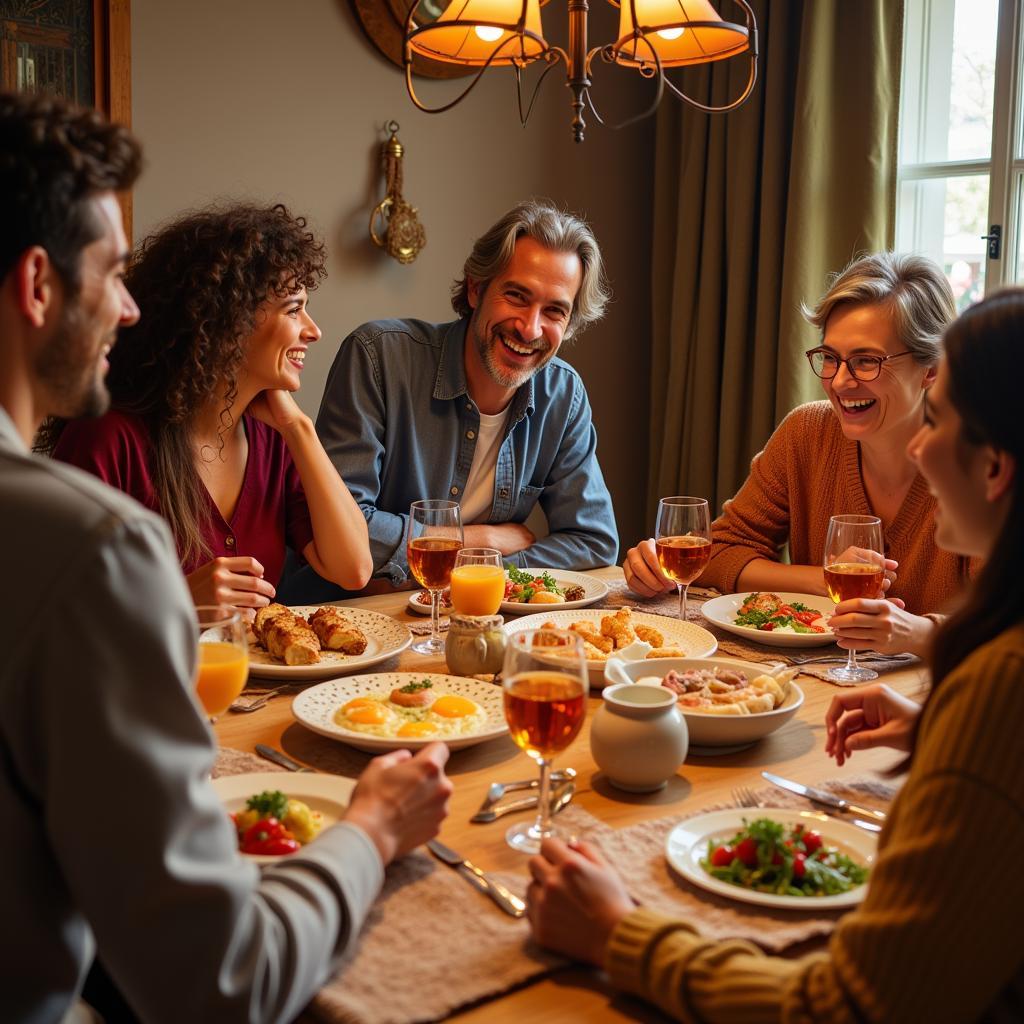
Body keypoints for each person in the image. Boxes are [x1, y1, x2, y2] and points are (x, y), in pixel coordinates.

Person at [0, 91, 452, 1023]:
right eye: (110, 274)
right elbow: (217, 982)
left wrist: (289, 416)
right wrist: (370, 828)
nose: (126, 310)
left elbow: (351, 565)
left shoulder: (262, 441)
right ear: (39, 285)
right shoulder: (89, 533)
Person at [527, 289, 1022, 1020]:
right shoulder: (996, 684)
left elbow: (845, 1007)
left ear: (995, 469)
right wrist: (937, 724)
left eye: (939, 418)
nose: (920, 446)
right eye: (834, 359)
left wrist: (619, 934)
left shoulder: (1000, 689)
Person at [623, 252, 963, 657]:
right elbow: (721, 551)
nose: (839, 381)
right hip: (822, 686)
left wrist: (919, 633)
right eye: (831, 358)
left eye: (866, 362)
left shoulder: (983, 464)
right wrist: (824, 579)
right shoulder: (807, 433)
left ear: (931, 370)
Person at [47, 201, 373, 613]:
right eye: (294, 309)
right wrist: (179, 600)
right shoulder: (109, 438)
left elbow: (353, 568)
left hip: (249, 678)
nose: (314, 331)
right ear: (229, 321)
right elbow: (52, 607)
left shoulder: (275, 439)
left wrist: (299, 428)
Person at [307, 199, 618, 593]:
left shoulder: (563, 394)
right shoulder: (378, 357)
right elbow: (339, 527)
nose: (530, 328)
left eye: (554, 311)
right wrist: (483, 542)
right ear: (476, 289)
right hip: (354, 622)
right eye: (517, 296)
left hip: (476, 615)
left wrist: (485, 571)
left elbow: (593, 541)